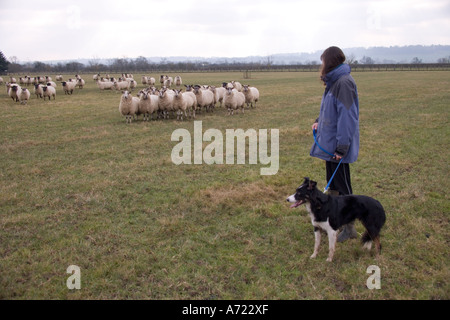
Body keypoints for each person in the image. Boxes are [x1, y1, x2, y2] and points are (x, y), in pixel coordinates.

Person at [310, 46, 360, 242]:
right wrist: (318, 120)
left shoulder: (344, 83)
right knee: (333, 186)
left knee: (344, 188)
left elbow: (347, 117)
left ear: (329, 62)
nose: (321, 66)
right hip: (330, 145)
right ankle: (333, 222)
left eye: (322, 62)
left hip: (338, 147)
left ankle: (350, 228)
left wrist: (342, 148)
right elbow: (329, 111)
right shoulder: (334, 82)